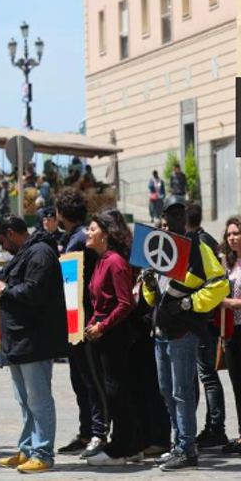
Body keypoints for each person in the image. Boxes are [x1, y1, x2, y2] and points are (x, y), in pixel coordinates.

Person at [141, 195, 228, 470]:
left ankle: (187, 449)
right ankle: (179, 444)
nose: (175, 219)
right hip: (161, 330)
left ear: (185, 217)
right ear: (164, 217)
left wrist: (189, 304)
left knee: (182, 392)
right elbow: (153, 298)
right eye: (171, 214)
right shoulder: (159, 246)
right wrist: (149, 284)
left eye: (180, 214)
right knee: (167, 391)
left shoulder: (197, 246)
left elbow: (219, 285)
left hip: (183, 332)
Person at [0, 215, 68, 474]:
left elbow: (34, 293)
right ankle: (28, 448)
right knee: (25, 400)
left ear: (11, 232)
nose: (3, 245)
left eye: (2, 240)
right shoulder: (24, 254)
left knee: (39, 399)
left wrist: (6, 290)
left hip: (34, 340)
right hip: (18, 340)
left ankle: (42, 452)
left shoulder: (40, 254)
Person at [80, 213, 141, 466]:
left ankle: (121, 449)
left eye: (92, 229)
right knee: (114, 392)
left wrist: (102, 326)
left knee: (117, 392)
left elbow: (125, 303)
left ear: (104, 233)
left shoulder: (115, 261)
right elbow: (101, 300)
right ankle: (131, 446)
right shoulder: (101, 260)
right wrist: (93, 323)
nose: (87, 233)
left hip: (114, 335)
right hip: (103, 334)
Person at [55, 189, 107, 458]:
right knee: (82, 379)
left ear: (60, 214)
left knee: (88, 379)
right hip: (80, 317)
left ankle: (96, 432)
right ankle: (87, 431)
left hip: (82, 319)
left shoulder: (77, 241)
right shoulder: (77, 237)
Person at [186, 201, 228, 449]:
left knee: (207, 376)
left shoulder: (200, 243)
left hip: (203, 320)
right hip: (205, 320)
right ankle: (212, 427)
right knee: (205, 376)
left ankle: (215, 428)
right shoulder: (206, 240)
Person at [220, 216, 241, 453]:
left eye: (235, 233)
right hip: (232, 332)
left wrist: (231, 303)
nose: (231, 238)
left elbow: (229, 302)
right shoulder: (229, 264)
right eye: (229, 234)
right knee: (237, 385)